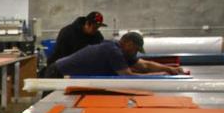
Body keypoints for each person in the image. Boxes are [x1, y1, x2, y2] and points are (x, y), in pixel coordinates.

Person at [42, 32, 184, 77]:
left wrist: (168, 68)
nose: (135, 52)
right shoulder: (112, 50)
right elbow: (128, 76)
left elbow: (144, 65)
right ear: (127, 43)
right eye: (135, 48)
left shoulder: (121, 51)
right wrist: (160, 76)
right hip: (57, 72)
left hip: (63, 73)